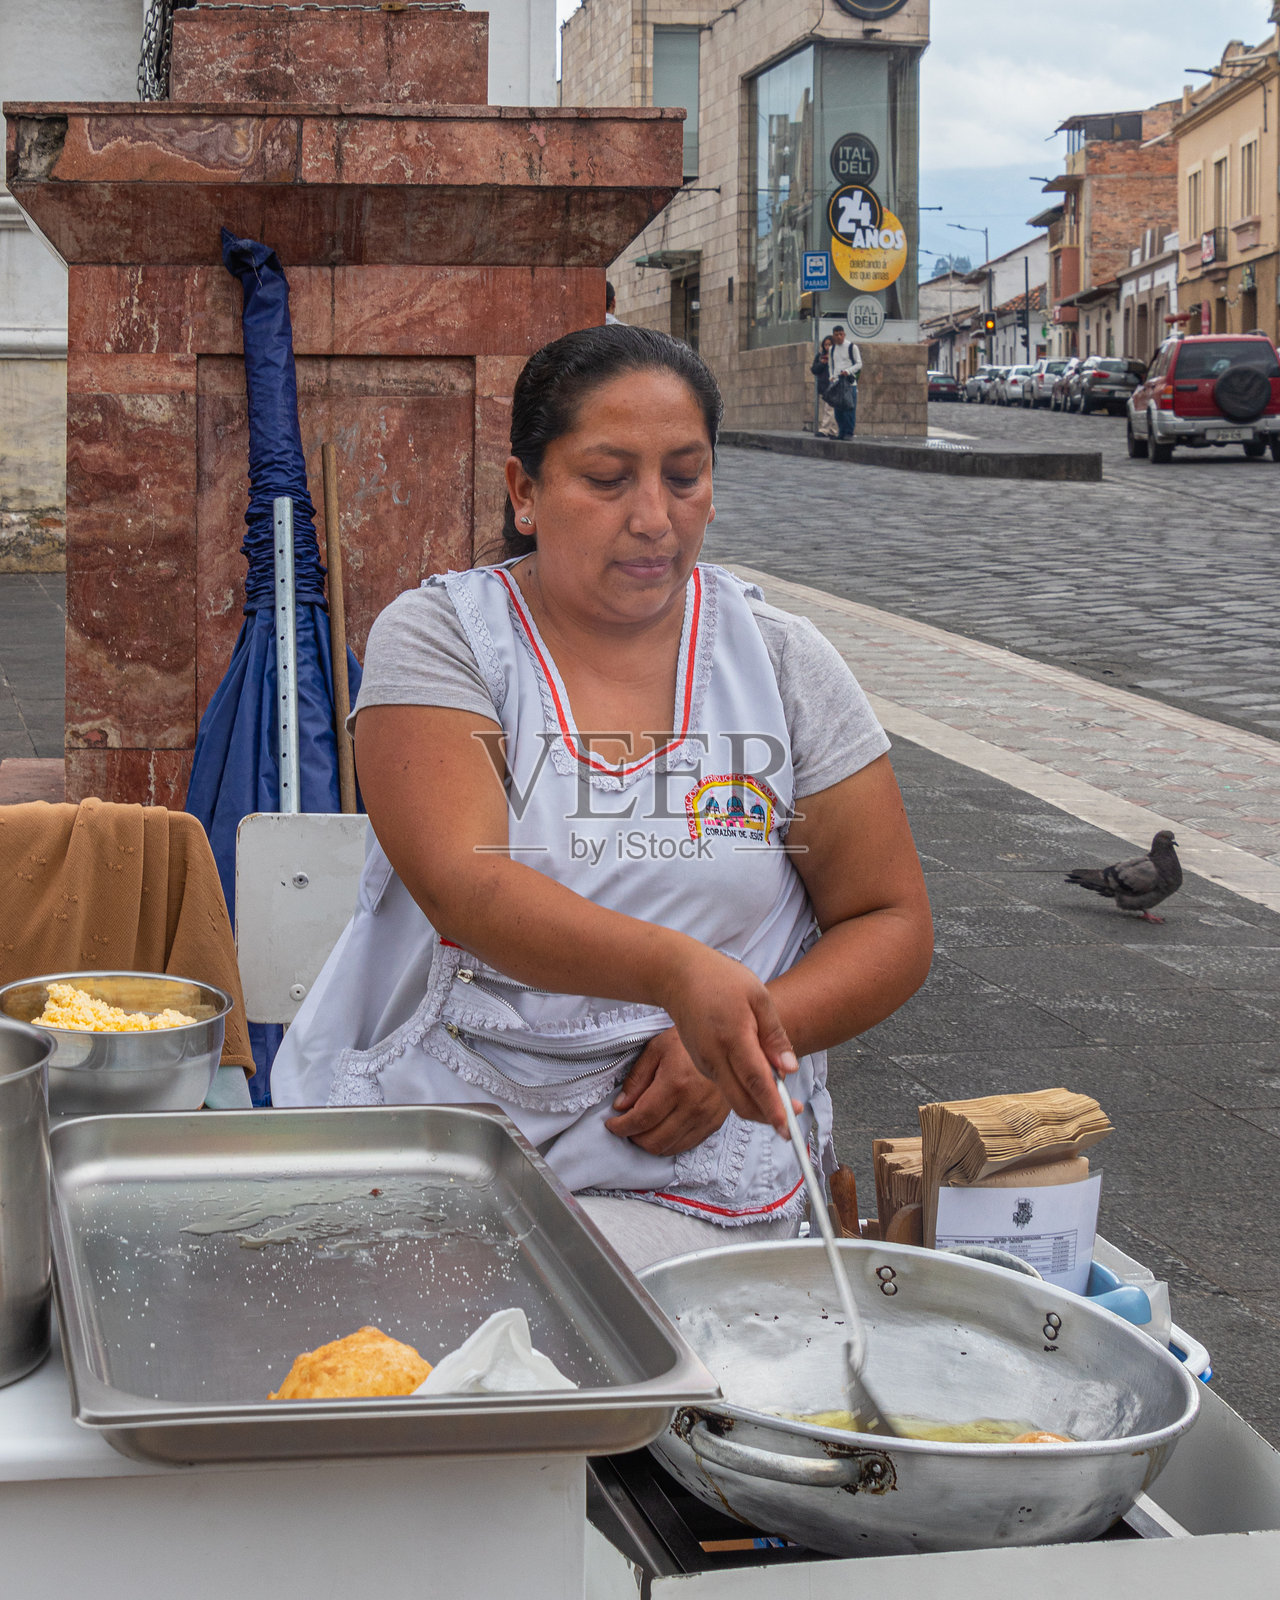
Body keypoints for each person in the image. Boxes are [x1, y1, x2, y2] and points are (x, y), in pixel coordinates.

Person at [271, 325, 932, 1271]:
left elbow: (890, 917)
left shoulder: (780, 662)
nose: (654, 518)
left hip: (699, 1176)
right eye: (608, 477)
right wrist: (680, 976)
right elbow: (473, 890)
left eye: (684, 475)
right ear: (524, 492)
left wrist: (743, 1038)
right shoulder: (446, 640)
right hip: (443, 1147)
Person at [828, 325, 863, 440]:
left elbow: (859, 364)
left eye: (841, 334)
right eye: (836, 335)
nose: (839, 337)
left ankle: (849, 432)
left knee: (849, 408)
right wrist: (831, 376)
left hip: (848, 383)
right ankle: (841, 432)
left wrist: (848, 371)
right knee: (838, 410)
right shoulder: (832, 349)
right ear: (833, 336)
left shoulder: (852, 347)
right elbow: (831, 364)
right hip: (837, 383)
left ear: (844, 334)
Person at [811, 335, 837, 438]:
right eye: (826, 345)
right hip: (825, 384)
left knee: (830, 408)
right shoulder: (820, 356)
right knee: (829, 408)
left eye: (830, 344)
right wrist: (822, 363)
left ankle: (827, 429)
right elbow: (814, 370)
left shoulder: (836, 355)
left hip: (834, 384)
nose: (827, 347)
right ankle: (831, 430)